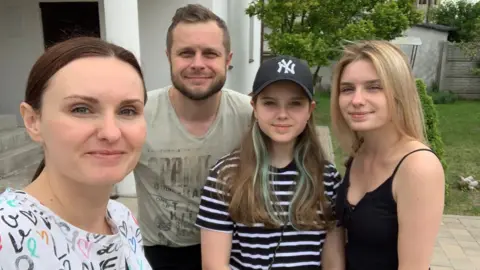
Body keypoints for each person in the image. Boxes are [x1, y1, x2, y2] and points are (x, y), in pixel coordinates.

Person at [0, 37, 152, 269]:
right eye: (81, 109)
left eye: (128, 110)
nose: (110, 133)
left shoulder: (122, 219)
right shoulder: (6, 234)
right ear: (33, 121)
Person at [195, 55, 345, 270]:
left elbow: (333, 260)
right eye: (270, 103)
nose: (282, 114)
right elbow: (214, 265)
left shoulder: (327, 178)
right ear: (254, 106)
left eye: (295, 104)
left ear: (310, 110)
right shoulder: (225, 175)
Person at [133, 4, 252, 270]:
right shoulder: (139, 114)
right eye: (186, 53)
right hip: (161, 254)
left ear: (228, 59)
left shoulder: (251, 116)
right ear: (169, 57)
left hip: (234, 250)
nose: (198, 64)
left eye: (210, 53)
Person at [331, 40, 445, 270]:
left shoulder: (418, 167)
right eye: (347, 89)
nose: (357, 100)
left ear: (399, 92)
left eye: (374, 87)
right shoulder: (360, 153)